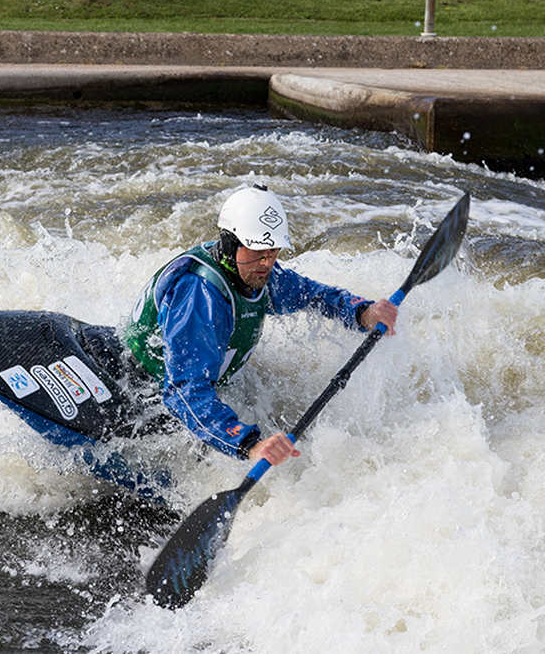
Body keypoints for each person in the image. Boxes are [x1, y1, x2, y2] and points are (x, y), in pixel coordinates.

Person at [122, 184, 398, 467]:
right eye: (257, 252)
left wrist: (363, 312)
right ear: (230, 244)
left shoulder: (257, 272)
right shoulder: (199, 296)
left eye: (273, 251)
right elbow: (184, 390)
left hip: (181, 393)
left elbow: (312, 295)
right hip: (141, 395)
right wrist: (248, 444)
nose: (267, 263)